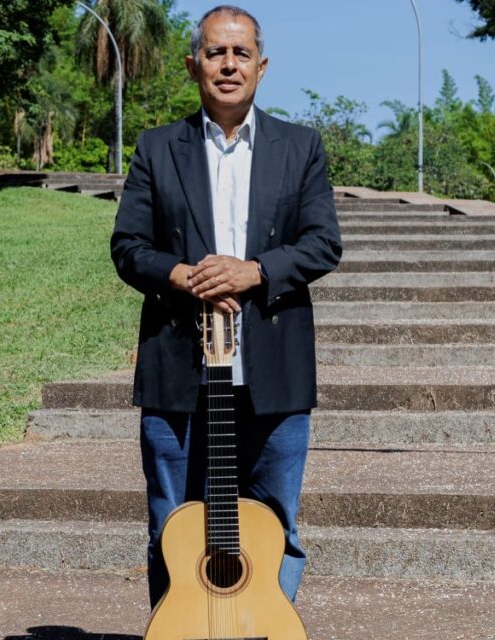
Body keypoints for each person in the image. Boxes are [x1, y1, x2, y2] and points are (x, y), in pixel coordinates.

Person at [110, 4, 341, 609]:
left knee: (274, 527)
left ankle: (265, 625)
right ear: (194, 66)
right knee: (172, 529)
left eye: (241, 53)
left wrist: (253, 272)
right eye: (216, 52)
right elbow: (128, 247)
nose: (229, 65)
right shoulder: (158, 149)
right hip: (177, 371)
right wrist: (186, 276)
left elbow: (323, 243)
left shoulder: (301, 146)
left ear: (262, 67)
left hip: (274, 372)